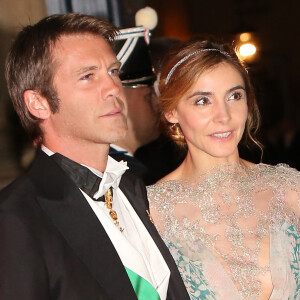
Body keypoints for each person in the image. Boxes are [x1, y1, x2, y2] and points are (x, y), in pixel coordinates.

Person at [0, 13, 189, 300]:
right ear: (38, 103)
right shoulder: (14, 219)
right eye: (88, 76)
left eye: (113, 72)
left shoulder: (134, 189)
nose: (114, 88)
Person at [147, 38, 300, 299]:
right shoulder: (152, 211)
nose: (224, 116)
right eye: (203, 101)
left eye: (234, 96)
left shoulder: (290, 188)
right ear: (171, 110)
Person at [111, 27, 185, 185]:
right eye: (149, 95)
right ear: (118, 98)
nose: (158, 105)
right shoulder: (121, 176)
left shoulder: (128, 168)